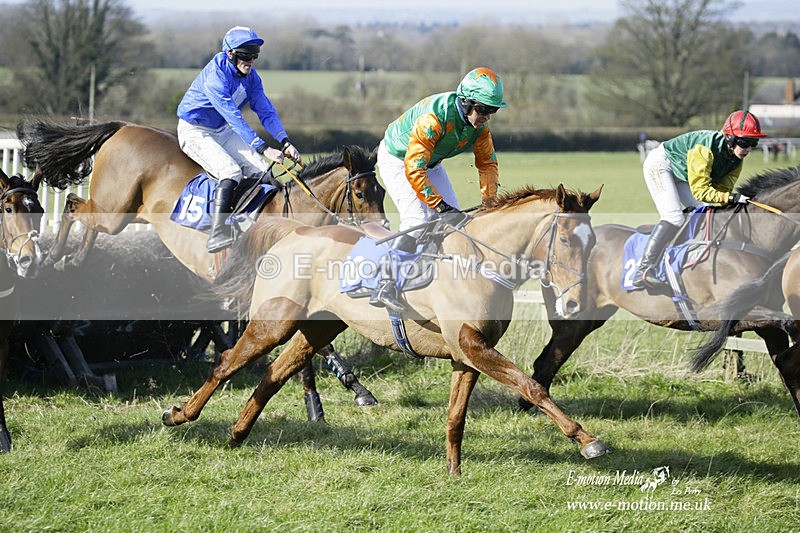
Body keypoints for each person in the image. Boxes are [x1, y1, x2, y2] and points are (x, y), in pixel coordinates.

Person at [370, 67, 506, 312]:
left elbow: (487, 164)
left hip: (429, 162)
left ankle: (436, 279)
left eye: (492, 111)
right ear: (466, 103)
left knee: (455, 223)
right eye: (484, 110)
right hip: (399, 159)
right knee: (417, 218)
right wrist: (439, 205)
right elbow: (414, 167)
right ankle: (385, 282)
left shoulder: (480, 128)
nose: (487, 117)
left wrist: (489, 203)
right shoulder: (434, 117)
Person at [177, 26, 302, 253]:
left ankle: (263, 224)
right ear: (230, 54)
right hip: (195, 130)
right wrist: (264, 147)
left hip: (221, 130)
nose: (250, 61)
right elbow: (234, 117)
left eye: (254, 55)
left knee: (263, 170)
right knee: (230, 171)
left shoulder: (252, 77)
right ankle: (218, 233)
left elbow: (266, 111)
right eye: (246, 55)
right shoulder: (215, 77)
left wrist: (285, 141)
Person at [631, 110, 767, 288]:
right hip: (661, 165)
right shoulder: (705, 148)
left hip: (684, 175)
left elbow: (721, 192)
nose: (748, 149)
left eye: (753, 143)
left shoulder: (736, 160)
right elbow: (701, 191)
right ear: (730, 138)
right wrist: (732, 198)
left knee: (710, 211)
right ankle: (644, 270)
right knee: (674, 217)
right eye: (744, 142)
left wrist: (730, 200)